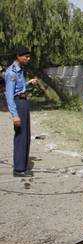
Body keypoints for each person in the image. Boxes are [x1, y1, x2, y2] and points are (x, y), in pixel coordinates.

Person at [4, 47, 38, 177]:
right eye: (26, 56)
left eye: (29, 57)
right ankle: (18, 169)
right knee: (20, 137)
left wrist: (29, 82)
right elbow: (9, 96)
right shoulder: (11, 73)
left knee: (26, 136)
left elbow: (20, 88)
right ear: (18, 56)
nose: (28, 59)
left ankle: (23, 166)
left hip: (23, 102)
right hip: (18, 104)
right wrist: (15, 115)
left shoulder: (20, 71)